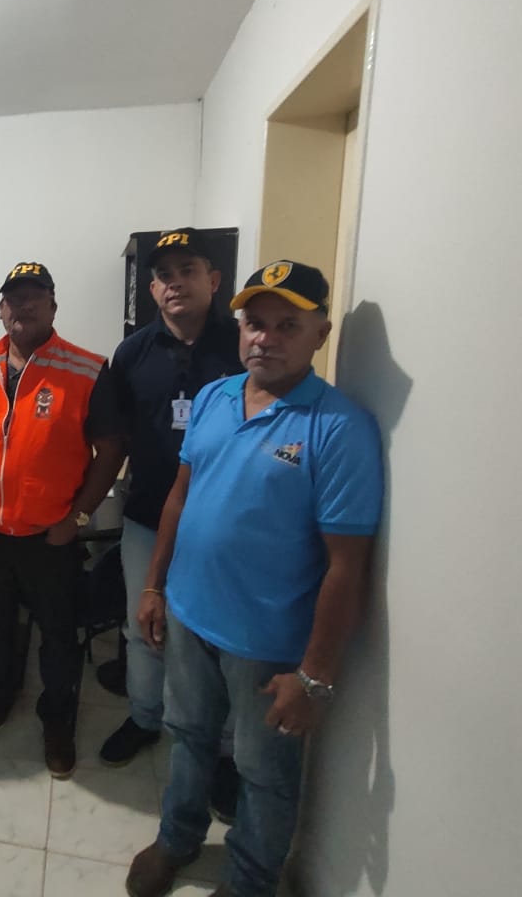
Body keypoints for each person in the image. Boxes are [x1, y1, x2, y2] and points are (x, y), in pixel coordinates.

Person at [126, 261, 385, 897]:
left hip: (267, 643)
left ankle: (249, 881)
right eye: (255, 323)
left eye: (286, 325)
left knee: (262, 770)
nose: (265, 338)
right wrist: (155, 586)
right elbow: (180, 498)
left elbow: (347, 565)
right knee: (187, 736)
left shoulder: (338, 428)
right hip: (189, 615)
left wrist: (315, 676)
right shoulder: (215, 397)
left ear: (320, 334)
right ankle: (177, 838)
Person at [0, 262, 124, 779]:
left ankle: (57, 718)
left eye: (34, 296)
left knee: (58, 634)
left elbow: (111, 449)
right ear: (0, 308)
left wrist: (78, 517)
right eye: (13, 297)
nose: (23, 306)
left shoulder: (87, 369)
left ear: (52, 305)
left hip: (51, 537)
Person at [99, 230, 243, 800]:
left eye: (188, 270)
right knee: (143, 625)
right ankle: (144, 716)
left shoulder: (243, 348)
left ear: (214, 279)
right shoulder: (132, 353)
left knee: (222, 638)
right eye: (164, 275)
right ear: (153, 289)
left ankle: (227, 750)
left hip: (223, 524)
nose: (175, 282)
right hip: (146, 514)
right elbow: (116, 434)